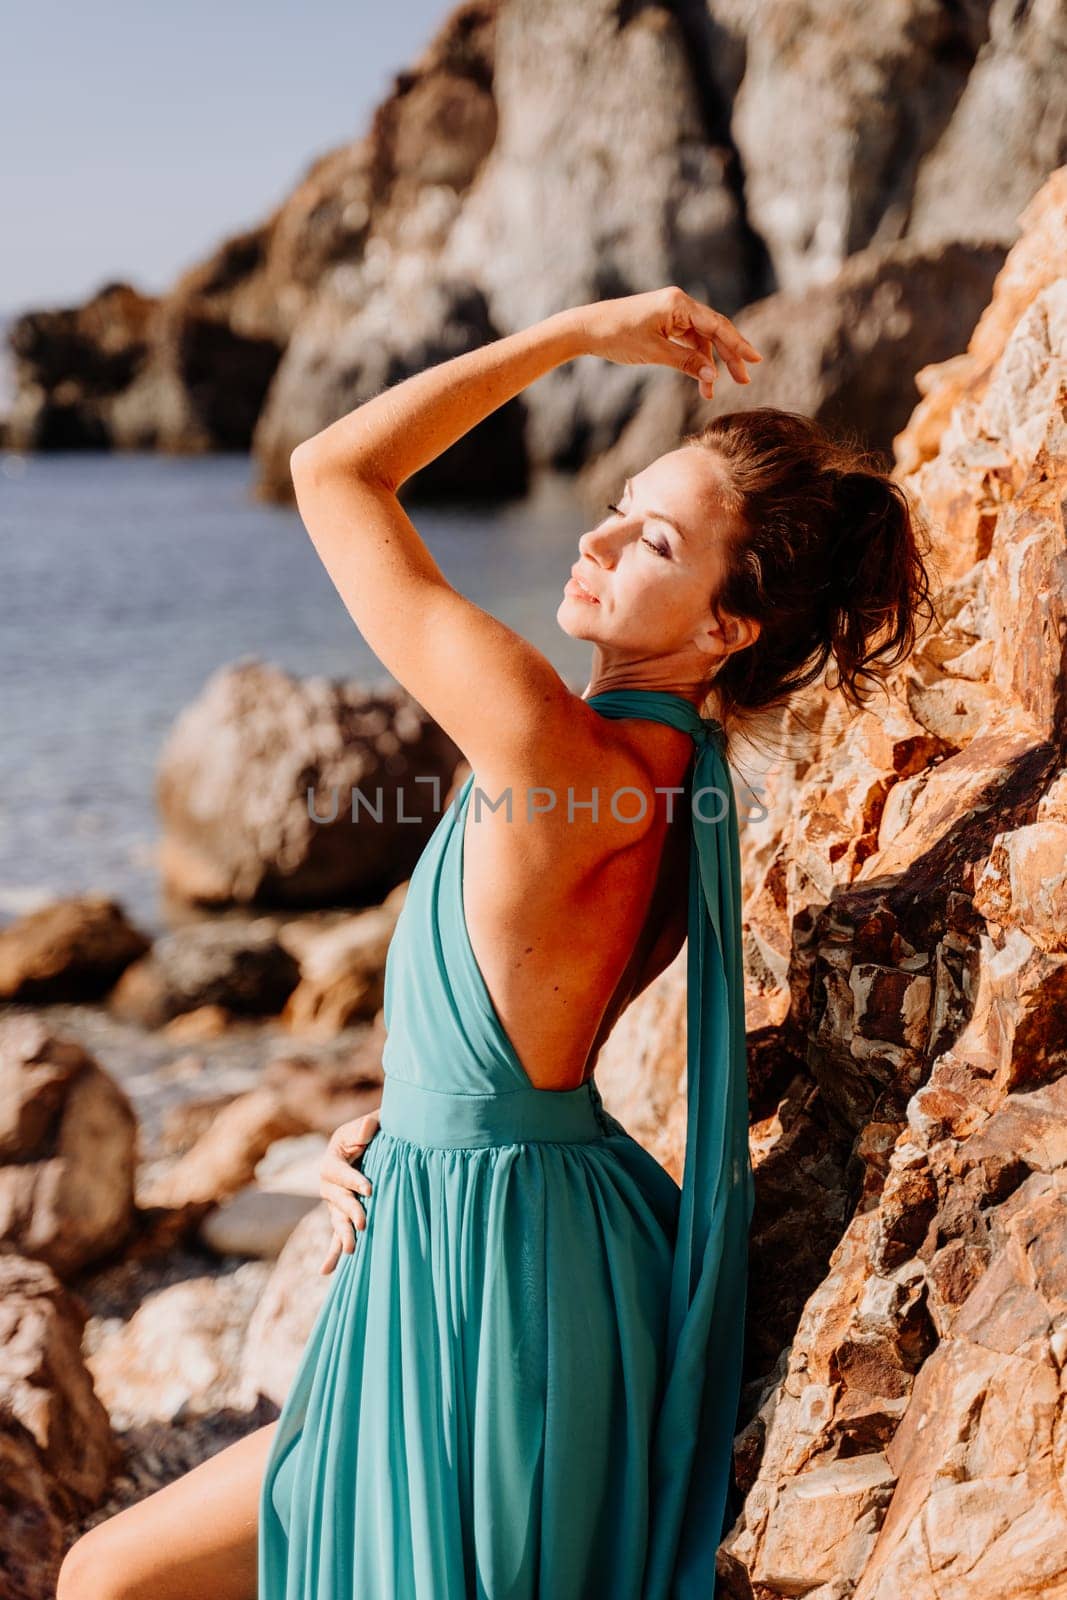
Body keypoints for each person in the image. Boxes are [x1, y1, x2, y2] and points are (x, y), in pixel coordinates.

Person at [57, 287, 933, 1600]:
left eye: (649, 541)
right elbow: (535, 1038)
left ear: (723, 629)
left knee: (107, 1579)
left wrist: (577, 337)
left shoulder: (547, 742)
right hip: (526, 1225)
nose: (595, 538)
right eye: (617, 504)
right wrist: (394, 1123)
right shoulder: (677, 778)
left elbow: (332, 470)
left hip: (483, 1272)